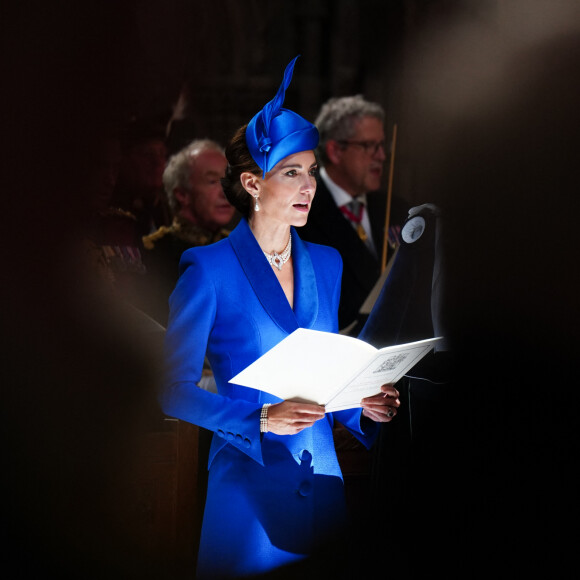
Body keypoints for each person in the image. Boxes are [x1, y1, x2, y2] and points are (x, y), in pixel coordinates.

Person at [160, 56, 400, 579]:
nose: (307, 186)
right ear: (251, 184)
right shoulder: (208, 269)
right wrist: (259, 419)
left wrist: (364, 406)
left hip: (327, 494)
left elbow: (326, 377)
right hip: (247, 497)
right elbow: (171, 390)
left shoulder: (328, 263)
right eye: (291, 173)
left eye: (311, 173)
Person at [298, 95, 408, 335]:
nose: (381, 156)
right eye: (369, 146)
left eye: (382, 145)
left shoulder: (399, 210)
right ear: (336, 151)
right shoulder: (300, 213)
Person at [142, 138, 237, 327]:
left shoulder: (240, 249)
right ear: (182, 195)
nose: (225, 192)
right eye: (212, 182)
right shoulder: (156, 252)